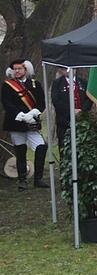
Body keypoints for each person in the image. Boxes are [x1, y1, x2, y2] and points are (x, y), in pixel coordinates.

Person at [2, 59, 49, 191]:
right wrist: (21, 115)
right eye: (14, 69)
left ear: (26, 70)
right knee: (20, 151)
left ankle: (38, 179)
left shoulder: (35, 84)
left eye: (19, 69)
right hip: (16, 122)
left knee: (41, 146)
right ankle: (22, 180)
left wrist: (33, 113)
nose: (16, 71)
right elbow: (7, 104)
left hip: (32, 122)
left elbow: (41, 103)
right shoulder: (7, 85)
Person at [51, 67, 94, 149]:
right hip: (64, 121)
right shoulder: (57, 83)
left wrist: (81, 111)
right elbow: (56, 101)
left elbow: (89, 98)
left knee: (83, 146)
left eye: (72, 69)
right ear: (61, 70)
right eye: (64, 69)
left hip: (82, 120)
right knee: (65, 147)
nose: (69, 71)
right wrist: (71, 111)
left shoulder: (83, 82)